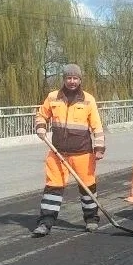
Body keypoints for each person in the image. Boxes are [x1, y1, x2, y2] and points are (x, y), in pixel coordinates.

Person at [32, 64, 106, 237]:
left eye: (75, 78)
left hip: (83, 153)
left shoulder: (88, 100)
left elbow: (97, 126)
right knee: (53, 188)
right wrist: (41, 127)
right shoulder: (52, 97)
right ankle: (45, 223)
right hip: (58, 152)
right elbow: (41, 115)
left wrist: (99, 148)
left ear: (80, 80)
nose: (72, 81)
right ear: (64, 79)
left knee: (87, 187)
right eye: (69, 78)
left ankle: (91, 220)